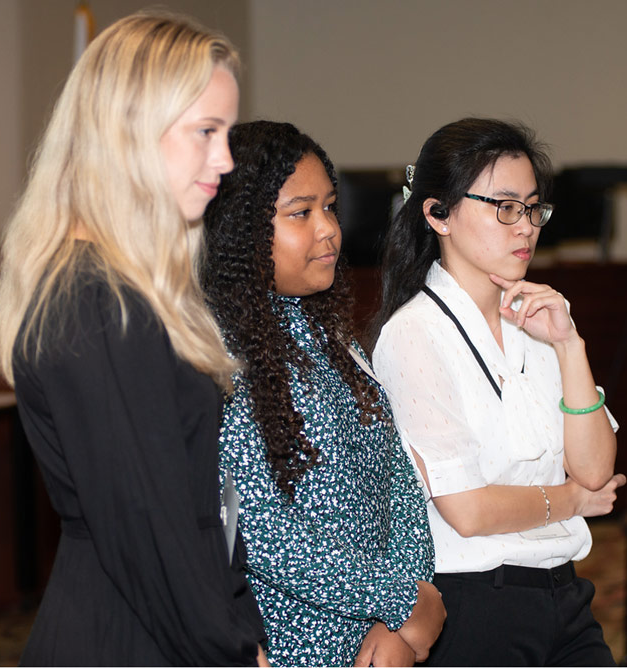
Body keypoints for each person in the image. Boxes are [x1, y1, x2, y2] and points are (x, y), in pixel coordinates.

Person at [0, 12, 267, 666]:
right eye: (206, 131)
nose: (224, 159)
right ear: (128, 133)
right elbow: (146, 530)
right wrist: (231, 649)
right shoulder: (97, 299)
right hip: (130, 636)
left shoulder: (124, 288)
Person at [371, 117, 625, 666]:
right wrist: (573, 502)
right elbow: (468, 510)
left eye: (533, 208)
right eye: (504, 207)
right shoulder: (414, 334)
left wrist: (569, 346)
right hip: (476, 604)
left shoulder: (540, 317)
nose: (526, 227)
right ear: (438, 214)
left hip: (565, 592)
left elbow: (597, 469)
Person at [201, 121, 443, 667]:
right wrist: (398, 599)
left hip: (375, 636)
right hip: (289, 642)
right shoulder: (217, 354)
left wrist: (401, 615)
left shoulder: (325, 333)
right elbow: (262, 533)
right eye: (300, 213)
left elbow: (397, 477)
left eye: (329, 207)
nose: (329, 229)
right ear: (241, 229)